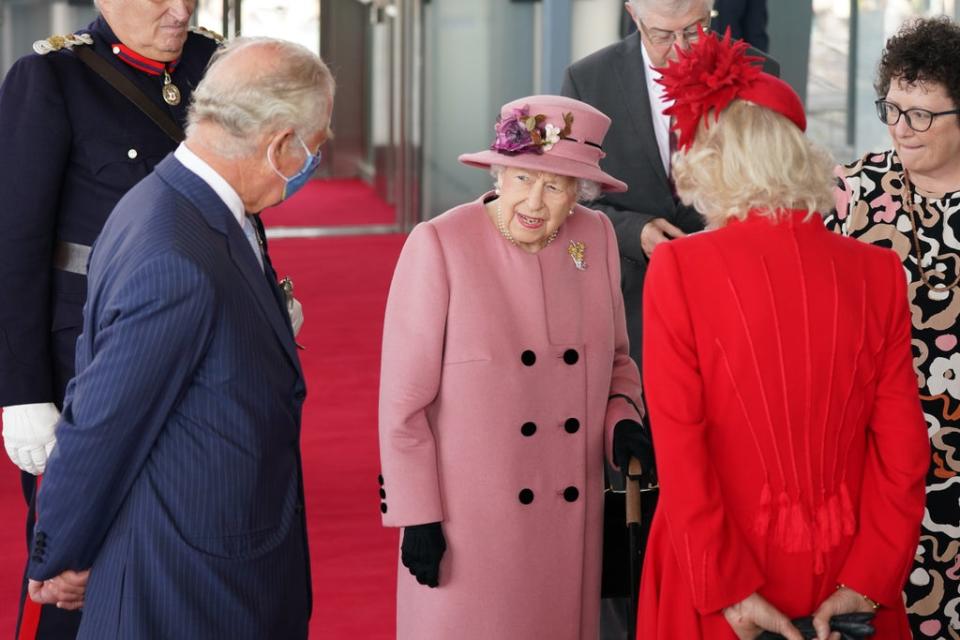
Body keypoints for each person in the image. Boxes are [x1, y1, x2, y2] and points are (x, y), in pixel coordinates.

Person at [24, 36, 333, 639]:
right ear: (278, 145)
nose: (312, 163)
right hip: (192, 586)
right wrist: (59, 554)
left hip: (209, 559)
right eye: (314, 147)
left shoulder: (176, 200)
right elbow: (102, 423)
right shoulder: (176, 253)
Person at [638, 31, 929, 639]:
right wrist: (869, 579)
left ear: (711, 160)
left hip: (719, 575)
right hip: (848, 570)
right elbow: (903, 453)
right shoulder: (877, 273)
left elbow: (682, 453)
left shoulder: (679, 269)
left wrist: (730, 591)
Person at [377, 94, 655, 639]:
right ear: (499, 171)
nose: (535, 199)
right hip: (469, 527)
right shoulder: (440, 244)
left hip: (566, 522)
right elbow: (402, 405)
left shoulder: (593, 238)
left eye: (555, 186)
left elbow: (618, 360)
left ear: (581, 191)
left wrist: (621, 419)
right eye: (523, 177)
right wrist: (417, 515)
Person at [0, 2, 219, 637]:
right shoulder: (52, 78)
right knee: (80, 568)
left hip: (206, 349)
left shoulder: (215, 63)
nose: (180, 10)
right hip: (92, 359)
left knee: (192, 545)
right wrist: (22, 393)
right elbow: (14, 247)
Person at [828, 16, 960, 638]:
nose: (900, 128)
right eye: (892, 108)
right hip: (877, 460)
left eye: (922, 115)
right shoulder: (854, 189)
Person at [562, 0, 778, 370]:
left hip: (734, 299)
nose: (681, 48)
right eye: (663, 35)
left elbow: (777, 186)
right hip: (632, 308)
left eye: (695, 29)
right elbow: (567, 197)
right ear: (633, 15)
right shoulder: (588, 80)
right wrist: (635, 232)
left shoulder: (758, 72)